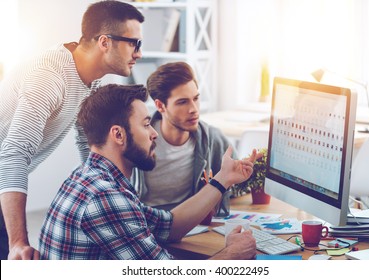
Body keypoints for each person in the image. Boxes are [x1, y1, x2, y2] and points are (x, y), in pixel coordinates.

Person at [39, 84, 257, 260]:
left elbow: (169, 226)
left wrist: (223, 179)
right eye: (145, 125)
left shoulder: (90, 178)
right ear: (118, 135)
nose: (154, 134)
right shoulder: (105, 197)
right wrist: (232, 255)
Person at [0, 1, 144, 260]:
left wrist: (110, 196)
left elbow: (86, 142)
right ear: (105, 42)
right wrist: (19, 243)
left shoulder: (91, 77)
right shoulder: (49, 76)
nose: (139, 53)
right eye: (134, 43)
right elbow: (13, 156)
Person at [131, 62, 236, 213]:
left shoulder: (213, 138)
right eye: (182, 102)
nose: (193, 109)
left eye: (196, 98)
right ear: (160, 106)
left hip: (193, 224)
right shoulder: (140, 140)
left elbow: (239, 188)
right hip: (148, 224)